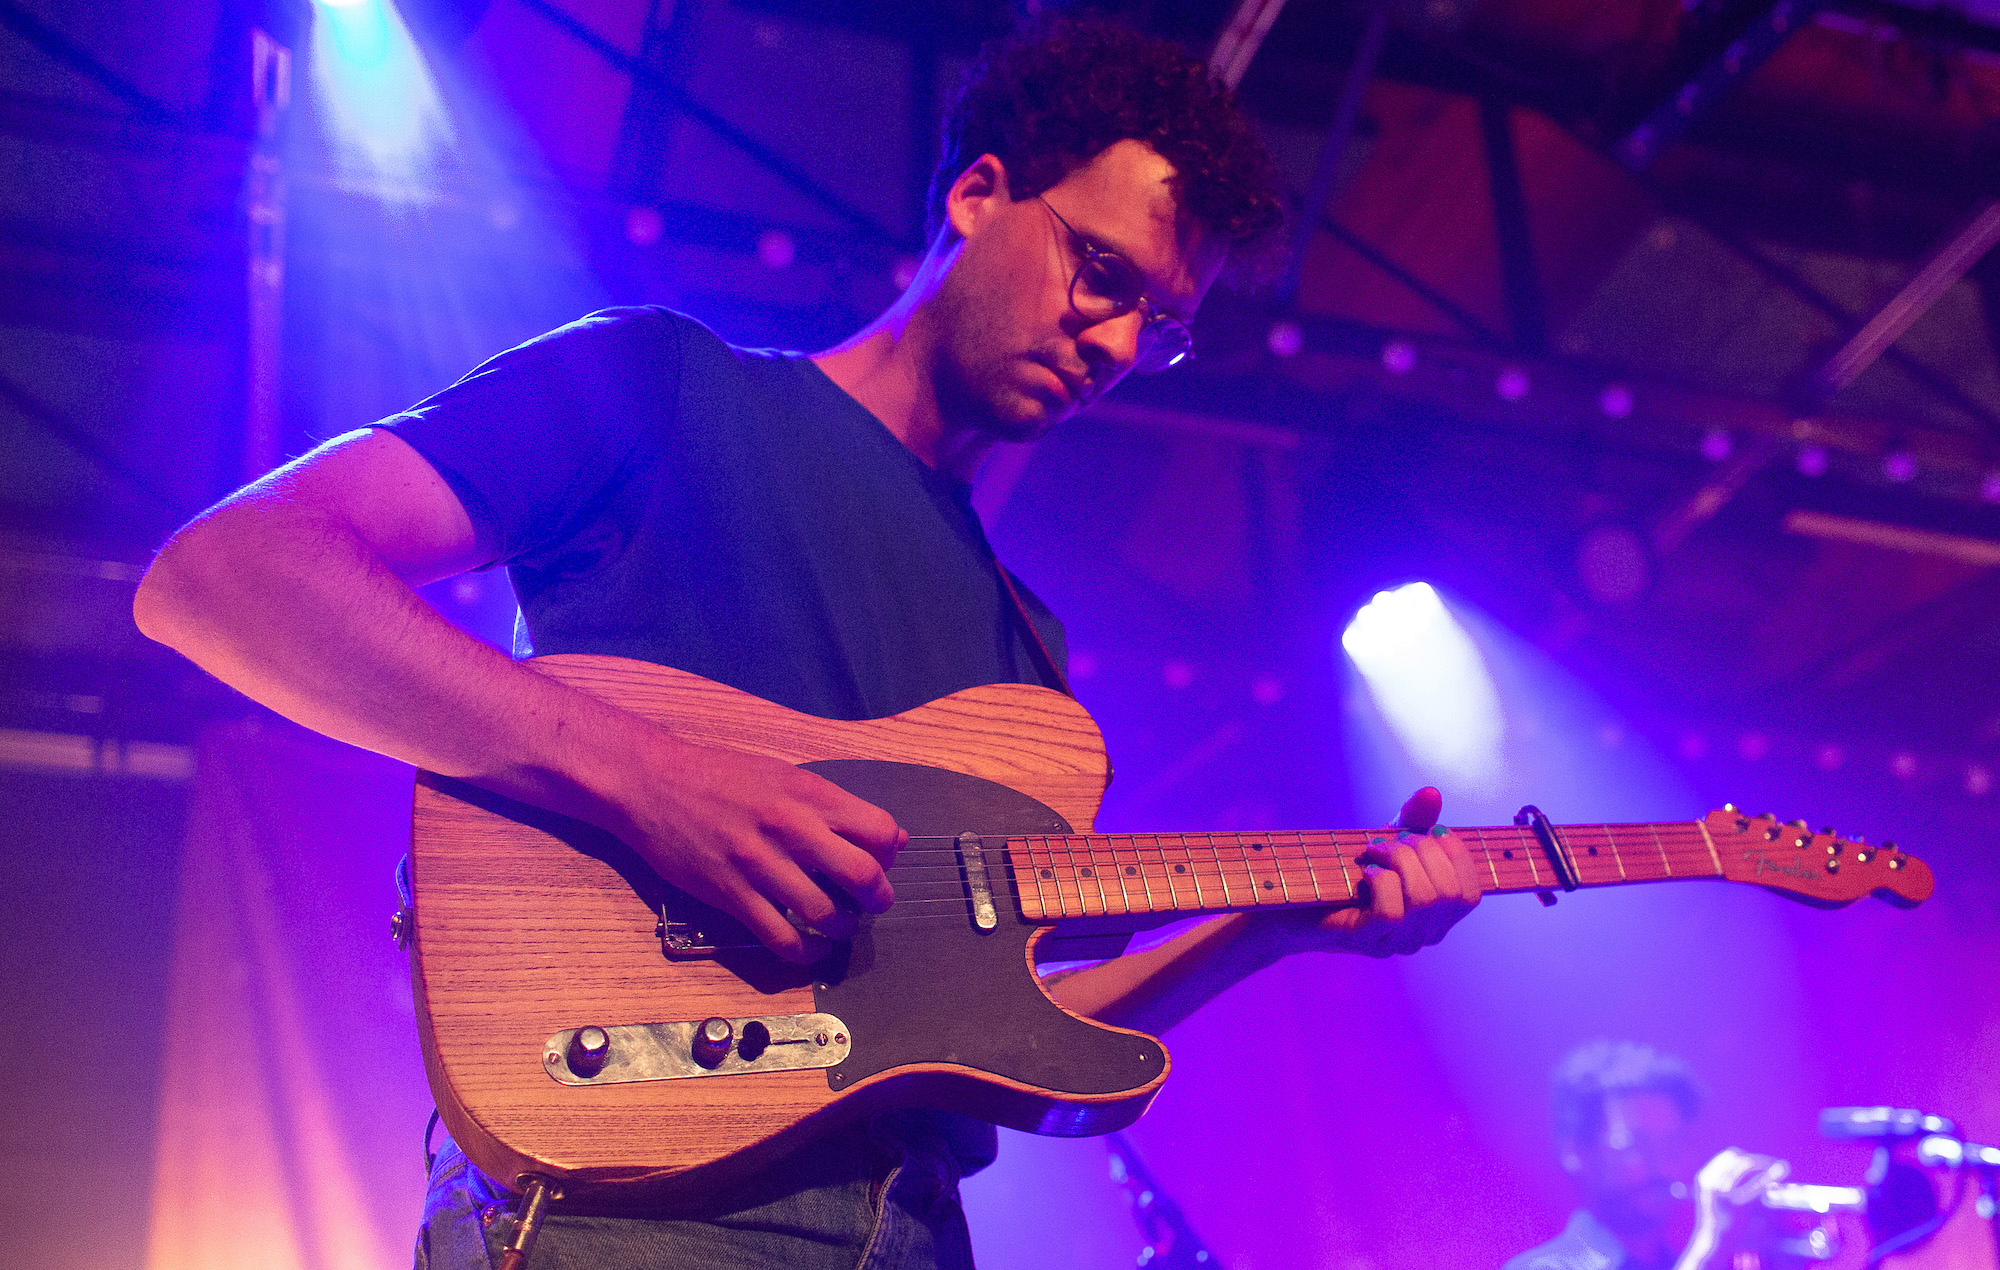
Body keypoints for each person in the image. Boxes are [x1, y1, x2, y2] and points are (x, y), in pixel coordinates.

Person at [134, 14, 1485, 1269]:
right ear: (978, 195)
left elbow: (1013, 1030)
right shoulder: (661, 387)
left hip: (915, 1230)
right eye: (1103, 270)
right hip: (630, 1214)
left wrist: (1270, 925)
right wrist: (653, 777)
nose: (1120, 341)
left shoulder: (1026, 639)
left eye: (1163, 328)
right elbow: (227, 572)